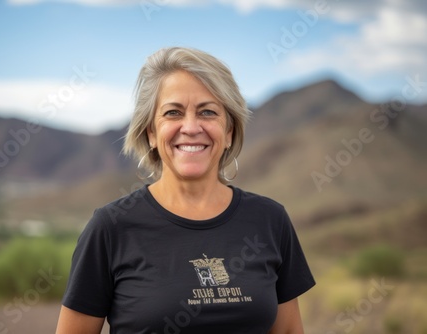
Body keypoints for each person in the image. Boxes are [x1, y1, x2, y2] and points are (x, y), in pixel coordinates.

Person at [56, 47, 315, 334]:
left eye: (207, 112)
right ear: (151, 132)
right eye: (173, 112)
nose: (191, 127)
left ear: (229, 131)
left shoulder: (270, 220)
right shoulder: (110, 228)